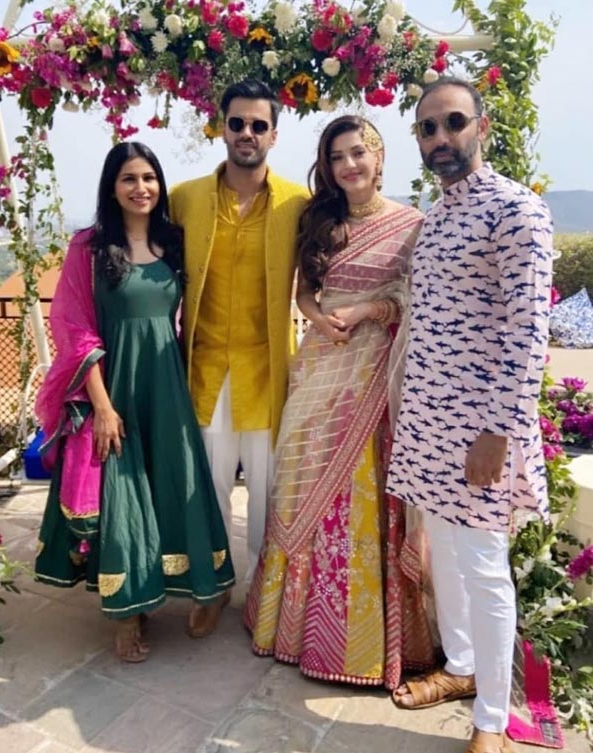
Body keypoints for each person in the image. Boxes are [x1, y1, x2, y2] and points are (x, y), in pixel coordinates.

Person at [387, 78, 553, 753]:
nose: (441, 138)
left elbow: (528, 333)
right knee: (447, 558)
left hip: (482, 428)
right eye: (428, 128)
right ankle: (460, 666)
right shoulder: (438, 216)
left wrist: (498, 432)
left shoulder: (517, 210)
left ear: (480, 126)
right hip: (429, 420)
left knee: (483, 566)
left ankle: (492, 717)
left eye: (453, 122)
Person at [243, 115, 436, 687]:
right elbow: (304, 290)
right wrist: (318, 317)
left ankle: (360, 646)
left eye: (357, 153)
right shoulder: (320, 222)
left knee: (362, 496)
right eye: (336, 157)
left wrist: (368, 310)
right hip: (320, 371)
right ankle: (292, 629)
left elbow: (415, 301)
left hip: (375, 378)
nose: (348, 165)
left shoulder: (411, 225)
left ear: (379, 157)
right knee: (301, 490)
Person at [34, 142, 235, 662]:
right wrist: (102, 407)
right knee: (123, 497)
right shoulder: (90, 249)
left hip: (167, 388)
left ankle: (199, 588)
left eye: (149, 177)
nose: (141, 188)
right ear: (112, 186)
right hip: (114, 388)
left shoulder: (174, 243)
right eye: (129, 178)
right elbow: (74, 328)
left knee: (174, 487)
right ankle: (128, 614)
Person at [170, 79, 309, 592]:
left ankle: (264, 597)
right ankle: (210, 590)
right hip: (205, 371)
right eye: (237, 123)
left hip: (268, 374)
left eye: (258, 125)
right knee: (206, 491)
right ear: (221, 128)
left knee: (270, 494)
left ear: (274, 134)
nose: (247, 132)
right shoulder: (184, 200)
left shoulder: (299, 203)